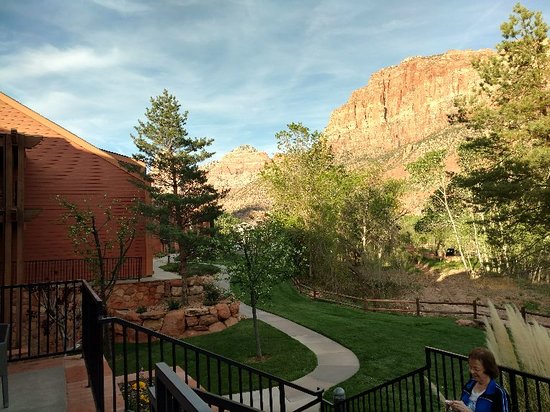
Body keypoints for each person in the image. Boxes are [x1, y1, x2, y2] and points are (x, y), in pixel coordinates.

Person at [447, 347, 510, 412]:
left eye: (476, 369)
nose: (471, 371)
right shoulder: (469, 384)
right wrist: (455, 407)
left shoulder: (498, 393)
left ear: (488, 369)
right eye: (470, 367)